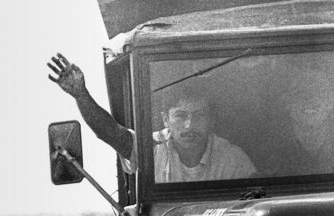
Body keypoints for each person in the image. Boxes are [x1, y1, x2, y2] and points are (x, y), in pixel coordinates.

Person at [47, 53, 256, 182]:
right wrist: (81, 94)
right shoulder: (151, 148)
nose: (189, 125)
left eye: (199, 116)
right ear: (165, 120)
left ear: (212, 120)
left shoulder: (233, 159)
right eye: (180, 116)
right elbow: (110, 133)